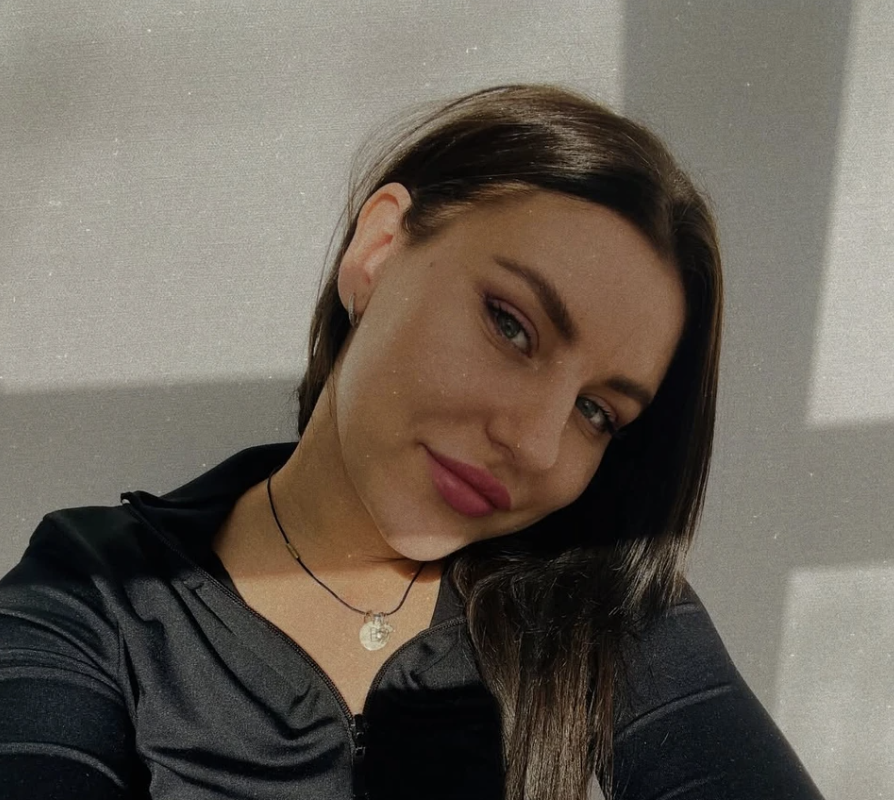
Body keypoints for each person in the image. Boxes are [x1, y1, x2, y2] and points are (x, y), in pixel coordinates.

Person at [0, 84, 824, 800]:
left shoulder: (601, 605)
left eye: (596, 411)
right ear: (378, 251)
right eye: (511, 326)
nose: (535, 444)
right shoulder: (96, 593)